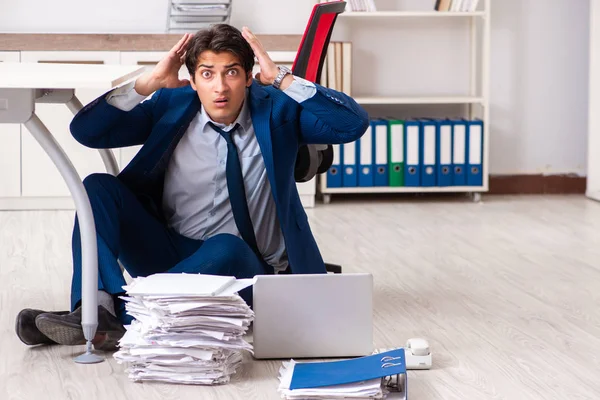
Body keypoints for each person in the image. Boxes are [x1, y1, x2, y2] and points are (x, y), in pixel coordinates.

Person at [15, 24, 369, 350]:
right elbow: (87, 132)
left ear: (248, 77)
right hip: (169, 252)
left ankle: (112, 318)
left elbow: (351, 125)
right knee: (97, 187)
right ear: (193, 80)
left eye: (231, 72)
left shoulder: (277, 112)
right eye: (207, 74)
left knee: (226, 247)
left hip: (242, 264)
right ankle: (95, 307)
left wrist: (282, 79)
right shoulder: (173, 104)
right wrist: (147, 84)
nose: (220, 87)